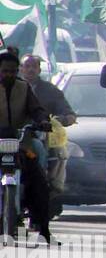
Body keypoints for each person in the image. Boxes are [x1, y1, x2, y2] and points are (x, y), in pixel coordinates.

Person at [0, 51, 52, 242]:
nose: (9, 75)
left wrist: (43, 120)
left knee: (39, 181)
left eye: (13, 72)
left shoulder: (24, 88)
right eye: (5, 71)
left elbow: (36, 110)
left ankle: (43, 227)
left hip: (20, 144)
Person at [19, 55, 74, 217]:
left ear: (39, 69)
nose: (30, 69)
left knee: (40, 153)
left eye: (33, 66)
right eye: (26, 66)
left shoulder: (49, 91)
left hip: (33, 139)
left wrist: (63, 119)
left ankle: (39, 183)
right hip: (8, 138)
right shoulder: (8, 88)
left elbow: (67, 112)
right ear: (20, 69)